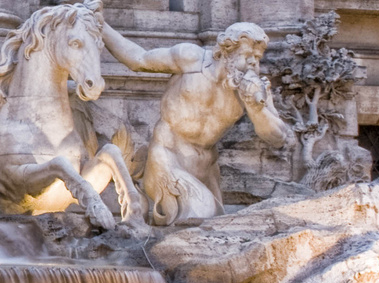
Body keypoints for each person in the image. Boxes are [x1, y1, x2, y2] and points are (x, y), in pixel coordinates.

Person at [100, 20, 294, 225]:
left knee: (215, 227)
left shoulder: (251, 90)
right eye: (247, 57)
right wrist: (101, 26)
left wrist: (257, 109)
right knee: (203, 214)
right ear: (225, 52)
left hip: (207, 171)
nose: (253, 64)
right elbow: (138, 59)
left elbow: (278, 137)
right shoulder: (191, 59)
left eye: (257, 58)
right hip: (167, 158)